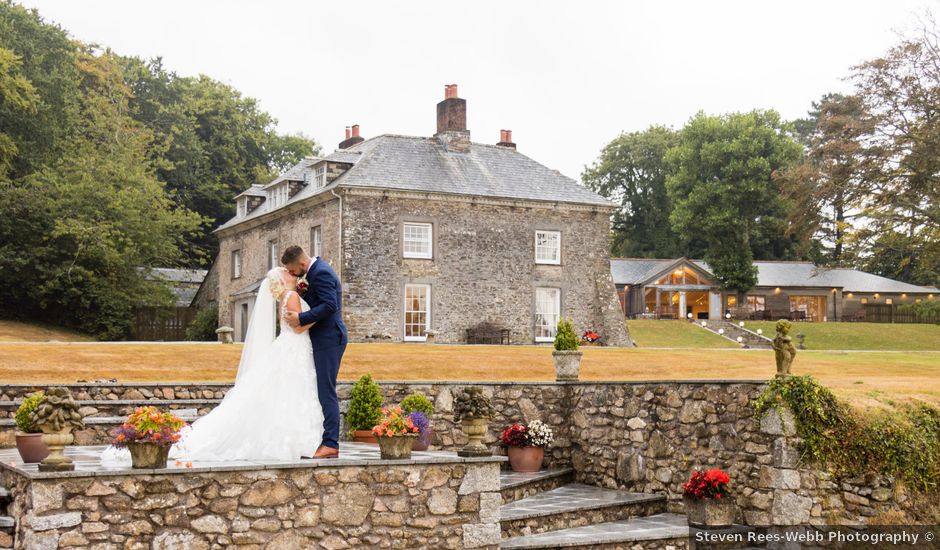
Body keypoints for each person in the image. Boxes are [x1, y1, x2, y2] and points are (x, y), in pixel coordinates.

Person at [100, 267, 323, 464]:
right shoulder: (291, 295)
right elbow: (299, 327)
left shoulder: (286, 296)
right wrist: (321, 314)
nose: (290, 271)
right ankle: (296, 440)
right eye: (285, 272)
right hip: (294, 347)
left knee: (288, 392)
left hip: (290, 347)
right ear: (283, 281)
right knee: (293, 391)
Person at [281, 245, 348, 459]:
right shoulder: (314, 272)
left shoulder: (322, 272)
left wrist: (301, 318)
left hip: (330, 338)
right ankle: (320, 438)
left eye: (292, 270)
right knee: (318, 389)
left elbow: (330, 306)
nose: (291, 274)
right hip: (319, 338)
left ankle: (331, 443)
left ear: (301, 264)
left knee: (326, 390)